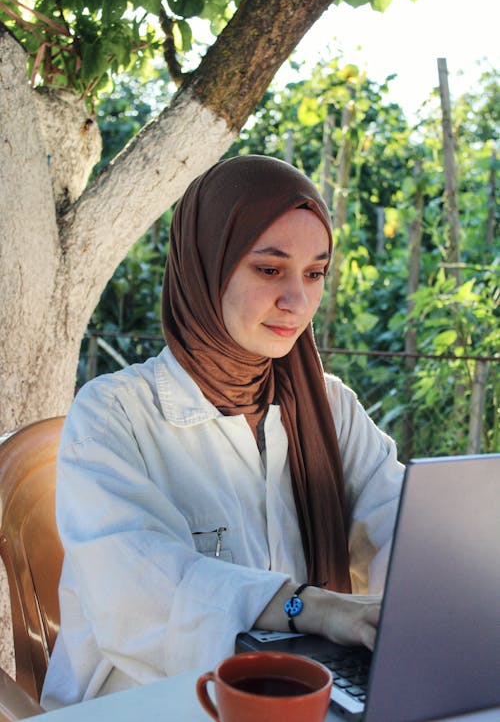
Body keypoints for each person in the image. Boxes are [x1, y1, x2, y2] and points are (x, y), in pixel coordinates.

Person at [41, 154, 404, 709]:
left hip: (294, 698)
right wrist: (312, 606)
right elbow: (140, 591)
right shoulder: (114, 415)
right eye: (269, 269)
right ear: (206, 265)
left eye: (314, 273)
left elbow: (398, 531)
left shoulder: (328, 407)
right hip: (145, 702)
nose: (297, 300)